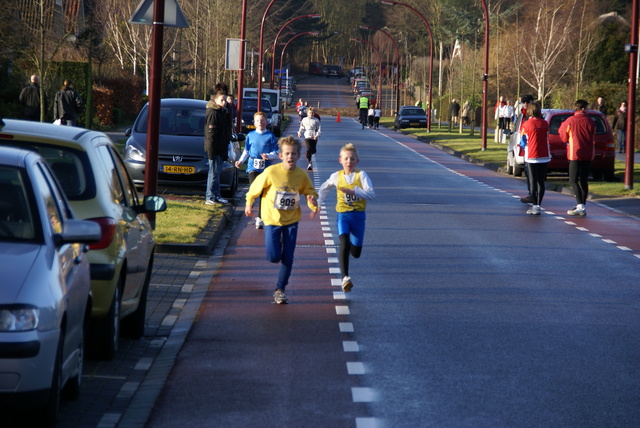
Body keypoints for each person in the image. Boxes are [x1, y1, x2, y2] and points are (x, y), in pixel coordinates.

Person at [244, 136, 319, 304]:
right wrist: (249, 203)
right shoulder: (271, 172)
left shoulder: (301, 175)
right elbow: (255, 188)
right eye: (287, 154)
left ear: (299, 155)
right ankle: (275, 251)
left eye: (293, 154)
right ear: (280, 155)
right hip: (272, 220)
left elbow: (310, 192)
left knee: (288, 257)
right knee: (273, 257)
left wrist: (313, 202)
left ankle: (280, 289)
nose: (290, 157)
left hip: (291, 221)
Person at [317, 143, 375, 292]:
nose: (349, 162)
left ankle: (351, 249)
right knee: (343, 243)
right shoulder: (336, 176)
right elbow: (324, 188)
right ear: (340, 160)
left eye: (352, 159)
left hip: (358, 218)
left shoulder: (361, 175)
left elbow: (371, 194)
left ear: (357, 161)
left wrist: (354, 191)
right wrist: (317, 203)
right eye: (346, 159)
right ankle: (345, 278)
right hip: (343, 216)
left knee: (355, 253)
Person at [235, 111, 279, 229]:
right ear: (254, 123)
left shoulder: (270, 136)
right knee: (254, 187)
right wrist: (240, 161)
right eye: (258, 120)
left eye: (262, 120)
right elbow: (246, 151)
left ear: (267, 122)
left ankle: (260, 218)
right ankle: (251, 202)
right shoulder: (250, 135)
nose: (260, 122)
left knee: (264, 195)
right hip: (253, 165)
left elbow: (276, 152)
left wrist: (268, 156)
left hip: (266, 167)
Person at [558, 99, 596, 216]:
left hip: (575, 153)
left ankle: (580, 205)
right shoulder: (590, 121)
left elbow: (563, 136)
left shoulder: (570, 121)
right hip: (588, 153)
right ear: (583, 108)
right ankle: (582, 205)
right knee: (584, 180)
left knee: (573, 180)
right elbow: (594, 135)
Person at [519, 102, 550, 215]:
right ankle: (539, 205)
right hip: (544, 155)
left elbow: (522, 141)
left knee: (532, 182)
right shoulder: (545, 123)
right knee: (541, 182)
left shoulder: (526, 125)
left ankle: (535, 206)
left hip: (531, 155)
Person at [204, 83, 232, 205]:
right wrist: (211, 151)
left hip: (220, 148)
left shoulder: (222, 112)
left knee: (217, 173)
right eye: (222, 100)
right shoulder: (213, 113)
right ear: (215, 100)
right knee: (213, 173)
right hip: (215, 149)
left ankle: (216, 195)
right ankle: (210, 196)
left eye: (225, 100)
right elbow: (211, 135)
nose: (224, 102)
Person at [298, 106, 322, 171]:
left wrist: (317, 135)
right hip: (307, 136)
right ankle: (309, 163)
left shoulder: (316, 120)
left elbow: (319, 129)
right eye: (309, 113)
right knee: (308, 149)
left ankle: (312, 152)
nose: (311, 114)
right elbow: (302, 128)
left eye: (312, 113)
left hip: (314, 136)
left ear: (314, 113)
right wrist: (299, 133)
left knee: (313, 150)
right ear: (307, 113)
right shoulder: (304, 120)